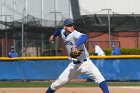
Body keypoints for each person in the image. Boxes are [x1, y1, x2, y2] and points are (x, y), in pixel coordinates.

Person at [45, 18, 110, 93]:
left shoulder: (74, 33)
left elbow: (84, 37)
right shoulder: (63, 32)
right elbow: (59, 31)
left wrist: (75, 45)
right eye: (69, 25)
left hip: (86, 63)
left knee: (100, 78)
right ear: (65, 27)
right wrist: (53, 35)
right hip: (73, 65)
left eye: (72, 25)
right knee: (57, 84)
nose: (72, 27)